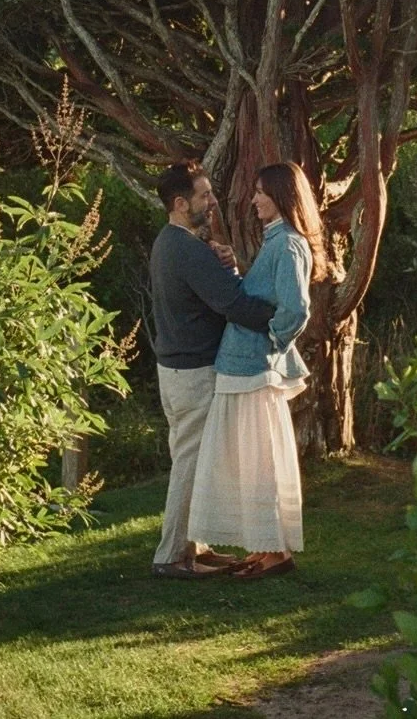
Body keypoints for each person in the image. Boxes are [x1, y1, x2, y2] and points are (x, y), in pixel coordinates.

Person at [187, 161, 326, 581]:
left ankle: (275, 553)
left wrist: (271, 342)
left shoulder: (286, 243)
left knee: (259, 460)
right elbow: (264, 290)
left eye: (261, 192)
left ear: (282, 195)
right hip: (243, 364)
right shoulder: (277, 241)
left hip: (252, 366)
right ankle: (266, 548)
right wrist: (235, 267)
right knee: (250, 459)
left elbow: (296, 308)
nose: (253, 200)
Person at [149, 160, 276, 581]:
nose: (213, 201)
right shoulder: (185, 248)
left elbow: (216, 291)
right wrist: (282, 317)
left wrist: (226, 265)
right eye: (204, 195)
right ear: (181, 203)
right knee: (189, 463)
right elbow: (235, 304)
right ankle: (170, 557)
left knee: (195, 462)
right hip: (193, 373)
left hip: (176, 371)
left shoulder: (171, 242)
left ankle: (196, 547)